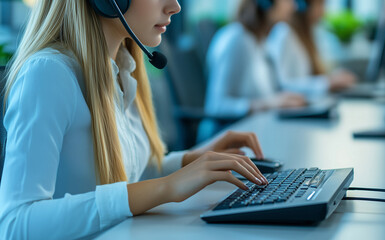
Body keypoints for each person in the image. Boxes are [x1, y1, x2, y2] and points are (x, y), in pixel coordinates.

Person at [0, 0, 270, 239]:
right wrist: (165, 187)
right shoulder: (48, 74)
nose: (175, 6)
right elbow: (15, 224)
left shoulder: (121, 67)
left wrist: (194, 161)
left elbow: (129, 173)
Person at [205, 0, 307, 119]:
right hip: (228, 131)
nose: (294, 6)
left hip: (257, 127)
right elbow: (215, 106)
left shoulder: (262, 42)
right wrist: (264, 105)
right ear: (266, 2)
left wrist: (282, 99)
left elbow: (273, 92)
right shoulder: (237, 39)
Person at [267, 0, 356, 98]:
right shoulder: (284, 32)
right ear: (303, 5)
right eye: (320, 5)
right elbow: (282, 86)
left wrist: (331, 78)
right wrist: (326, 84)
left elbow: (307, 78)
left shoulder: (311, 34)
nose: (323, 12)